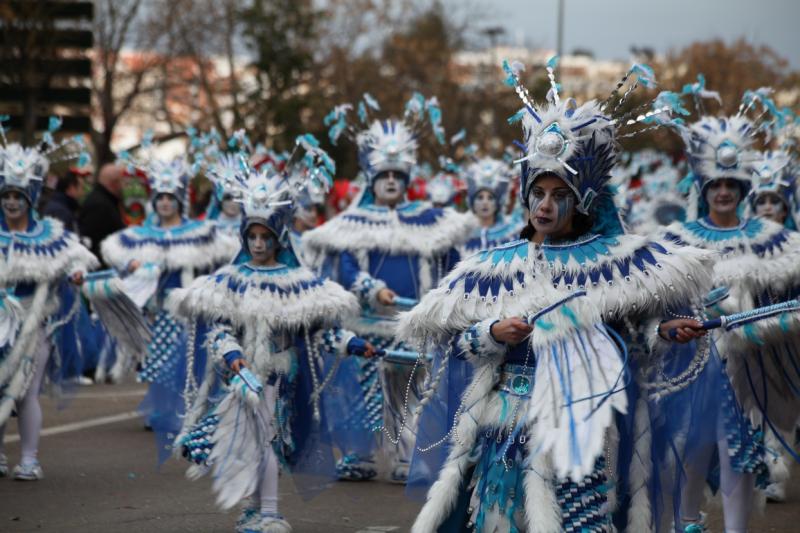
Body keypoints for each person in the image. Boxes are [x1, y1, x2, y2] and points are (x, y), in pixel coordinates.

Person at [399, 59, 715, 532]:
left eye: (558, 193)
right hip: (504, 427)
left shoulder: (617, 262)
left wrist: (664, 330)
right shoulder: (494, 265)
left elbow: (632, 333)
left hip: (580, 430)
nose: (544, 204)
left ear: (582, 200)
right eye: (537, 191)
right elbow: (455, 341)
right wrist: (492, 332)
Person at [168, 137, 375, 533]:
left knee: (273, 442)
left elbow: (320, 333)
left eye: (266, 237)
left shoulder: (298, 282)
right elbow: (219, 331)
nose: (259, 244)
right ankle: (265, 512)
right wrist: (233, 357)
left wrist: (353, 344)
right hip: (244, 376)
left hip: (284, 375)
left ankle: (262, 510)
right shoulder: (229, 281)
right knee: (256, 441)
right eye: (253, 237)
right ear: (244, 236)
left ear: (279, 237)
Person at [303, 94, 476, 483]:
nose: (392, 183)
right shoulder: (354, 222)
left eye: (398, 177)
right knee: (365, 395)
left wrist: (446, 299)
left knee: (414, 394)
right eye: (385, 177)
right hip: (368, 324)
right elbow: (346, 266)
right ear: (373, 180)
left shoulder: (429, 219)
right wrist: (372, 289)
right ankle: (360, 455)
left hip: (415, 323)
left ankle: (408, 458)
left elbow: (450, 262)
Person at [655, 86, 800, 533]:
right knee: (689, 455)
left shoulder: (774, 238)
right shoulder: (675, 238)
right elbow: (655, 305)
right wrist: (668, 329)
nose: (722, 192)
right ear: (703, 187)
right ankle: (686, 523)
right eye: (714, 184)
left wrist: (757, 330)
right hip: (688, 369)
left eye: (729, 184)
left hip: (748, 373)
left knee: (737, 454)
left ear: (741, 187)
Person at [100, 153, 238, 459]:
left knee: (188, 361)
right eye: (160, 197)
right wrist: (133, 267)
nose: (164, 203)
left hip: (188, 311)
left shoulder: (198, 234)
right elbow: (121, 266)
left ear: (179, 200)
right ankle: (163, 411)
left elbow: (220, 260)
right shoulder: (141, 235)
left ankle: (190, 410)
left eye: (170, 197)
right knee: (158, 362)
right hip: (156, 311)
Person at [0, 137, 97, 481]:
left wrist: (77, 273)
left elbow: (78, 261)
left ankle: (28, 458)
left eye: (18, 197)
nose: (12, 203)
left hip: (33, 323)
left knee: (26, 391)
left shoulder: (50, 236)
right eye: (7, 196)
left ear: (30, 199)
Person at [461, 156, 522, 255]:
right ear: (472, 202)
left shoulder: (511, 234)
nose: (485, 202)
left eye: (490, 198)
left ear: (498, 203)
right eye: (480, 197)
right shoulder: (462, 235)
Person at [79, 163, 126, 268]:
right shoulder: (100, 205)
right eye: (122, 181)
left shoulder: (104, 201)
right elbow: (92, 243)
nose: (124, 186)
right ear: (114, 183)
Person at [42, 167, 88, 234]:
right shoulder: (61, 212)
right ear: (71, 188)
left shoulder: (61, 206)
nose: (82, 193)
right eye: (81, 188)